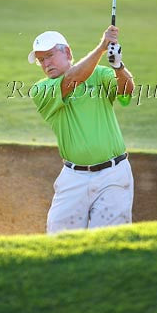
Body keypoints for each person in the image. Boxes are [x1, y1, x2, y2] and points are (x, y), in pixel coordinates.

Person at [28, 26, 135, 234]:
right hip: (73, 178)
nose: (46, 63)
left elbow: (126, 93)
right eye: (41, 60)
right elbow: (72, 80)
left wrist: (118, 67)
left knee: (108, 243)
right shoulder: (41, 90)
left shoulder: (100, 74)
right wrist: (102, 48)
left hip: (113, 175)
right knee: (59, 242)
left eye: (50, 55)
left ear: (67, 52)